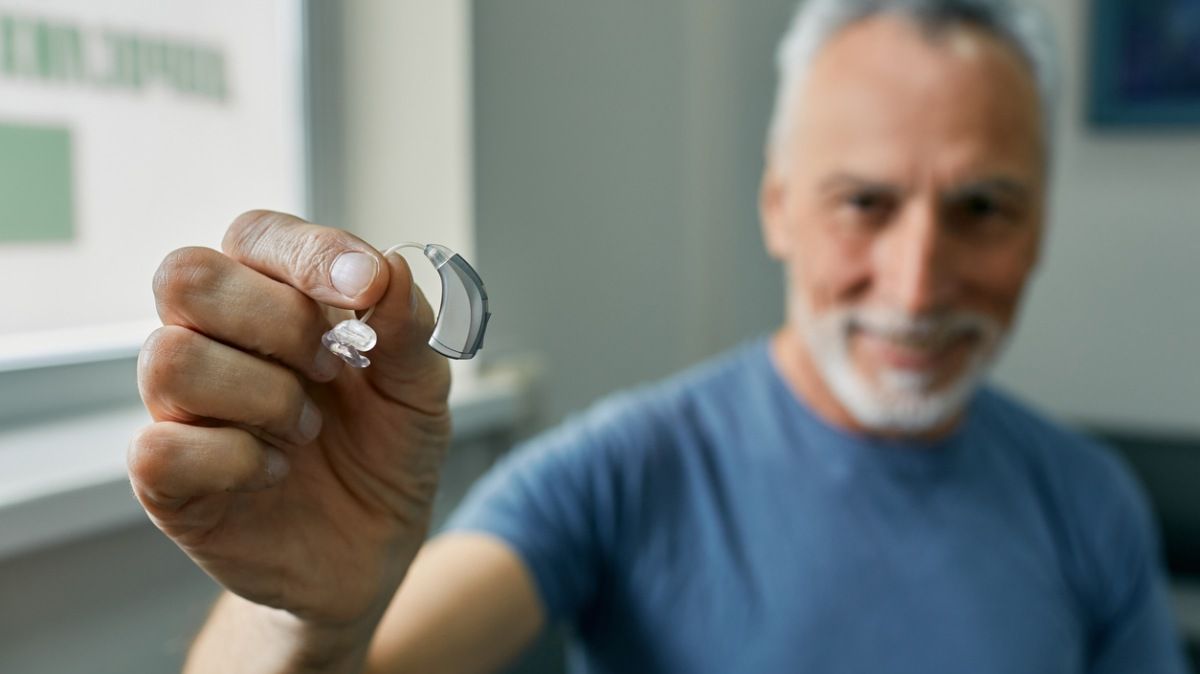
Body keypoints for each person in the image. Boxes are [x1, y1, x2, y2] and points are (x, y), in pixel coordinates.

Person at [127, 0, 1190, 672]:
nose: (916, 284)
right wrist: (304, 619)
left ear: (1039, 226)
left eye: (983, 209)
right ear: (777, 206)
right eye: (864, 202)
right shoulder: (621, 468)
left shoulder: (1088, 501)